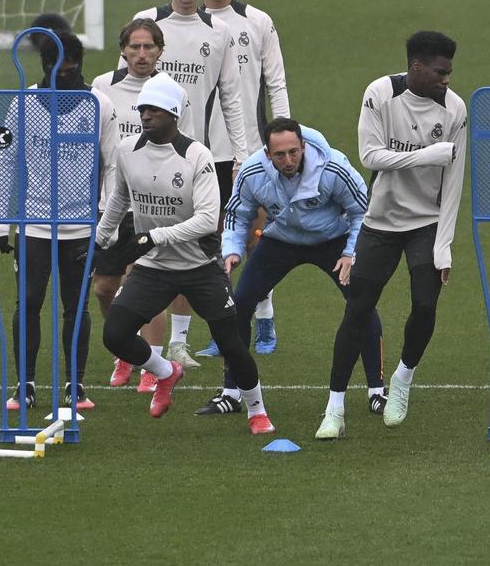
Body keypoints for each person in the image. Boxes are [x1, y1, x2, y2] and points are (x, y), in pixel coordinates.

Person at [96, 72, 275, 435]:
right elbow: (120, 196)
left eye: (155, 110)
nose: (146, 115)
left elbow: (208, 220)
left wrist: (155, 237)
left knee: (231, 344)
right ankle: (165, 372)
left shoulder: (197, 156)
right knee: (115, 334)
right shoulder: (127, 151)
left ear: (174, 114)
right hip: (153, 268)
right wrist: (100, 238)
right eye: (143, 109)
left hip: (199, 267)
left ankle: (257, 410)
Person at [316, 31, 467, 439]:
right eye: (440, 72)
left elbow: (454, 183)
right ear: (416, 67)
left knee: (425, 305)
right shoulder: (380, 94)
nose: (447, 79)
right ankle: (334, 409)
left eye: (449, 72)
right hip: (380, 222)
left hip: (427, 223)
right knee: (358, 310)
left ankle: (402, 379)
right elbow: (370, 156)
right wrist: (427, 155)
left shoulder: (454, 109)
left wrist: (444, 247)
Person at [196, 118, 386, 416]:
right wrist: (231, 250)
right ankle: (232, 392)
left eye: (294, 152)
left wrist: (350, 253)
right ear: (267, 154)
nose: (288, 160)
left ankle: (377, 390)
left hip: (332, 240)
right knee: (239, 304)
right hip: (280, 240)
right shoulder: (252, 171)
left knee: (361, 303)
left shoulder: (333, 167)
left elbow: (363, 211)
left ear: (304, 147)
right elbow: (237, 214)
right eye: (280, 155)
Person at [127, 0, 249, 367]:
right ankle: (142, 344)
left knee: (193, 247)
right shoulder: (148, 23)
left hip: (198, 156)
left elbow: (231, 97)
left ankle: (179, 342)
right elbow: (126, 88)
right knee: (145, 246)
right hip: (149, 155)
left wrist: (242, 156)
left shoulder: (218, 32)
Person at [0, 32, 119, 412]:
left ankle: (75, 386)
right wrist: (1, 223)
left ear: (79, 65)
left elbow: (113, 165)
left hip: (82, 226)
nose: (64, 76)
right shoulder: (23, 103)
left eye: (71, 69)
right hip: (34, 224)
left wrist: (108, 222)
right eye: (57, 70)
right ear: (45, 66)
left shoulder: (99, 104)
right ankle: (25, 385)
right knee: (28, 302)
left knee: (76, 307)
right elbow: (6, 160)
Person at [193, 0, 292, 356]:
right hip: (200, 152)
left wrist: (286, 139)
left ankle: (265, 320)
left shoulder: (257, 22)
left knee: (255, 239)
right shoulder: (188, 28)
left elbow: (276, 83)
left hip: (250, 149)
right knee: (213, 243)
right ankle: (228, 328)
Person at [92, 19, 201, 394]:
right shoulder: (102, 87)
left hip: (155, 203)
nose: (141, 54)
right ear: (123, 50)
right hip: (112, 200)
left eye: (149, 47)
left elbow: (187, 146)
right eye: (134, 47)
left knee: (146, 283)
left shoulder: (173, 90)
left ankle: (152, 364)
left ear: (160, 51)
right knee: (104, 288)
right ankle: (127, 351)